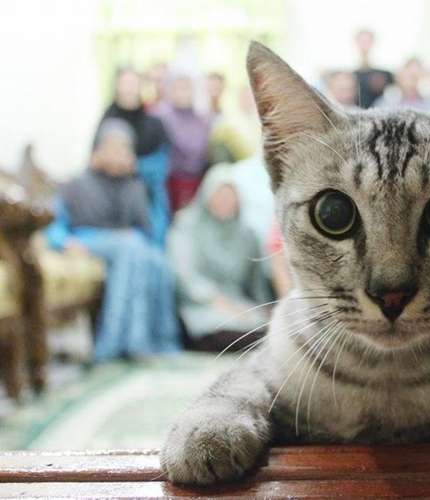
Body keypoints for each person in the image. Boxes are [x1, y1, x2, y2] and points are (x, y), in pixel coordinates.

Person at [46, 119, 180, 362]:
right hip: (86, 239)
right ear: (97, 150)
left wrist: (135, 181)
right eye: (114, 147)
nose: (120, 154)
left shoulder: (133, 185)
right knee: (131, 247)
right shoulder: (76, 184)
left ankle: (161, 341)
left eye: (125, 148)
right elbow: (52, 224)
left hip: (128, 244)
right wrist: (63, 242)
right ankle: (114, 345)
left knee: (158, 261)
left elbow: (149, 228)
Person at [168, 165, 273, 352]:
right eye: (220, 194)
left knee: (267, 326)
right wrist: (218, 301)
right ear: (207, 195)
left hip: (238, 304)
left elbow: (256, 282)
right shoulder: (186, 227)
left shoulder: (246, 234)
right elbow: (184, 276)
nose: (225, 201)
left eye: (230, 195)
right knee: (224, 327)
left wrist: (264, 306)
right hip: (201, 305)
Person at [99, 66, 171, 246]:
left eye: (133, 83)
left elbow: (163, 164)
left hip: (148, 195)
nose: (129, 89)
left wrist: (135, 166)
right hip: (110, 196)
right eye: (124, 83)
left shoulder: (154, 123)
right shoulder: (106, 120)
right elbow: (95, 159)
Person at [154, 73, 211, 213]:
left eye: (187, 88)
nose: (183, 93)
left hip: (196, 182)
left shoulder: (202, 120)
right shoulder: (160, 116)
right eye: (178, 87)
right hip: (167, 182)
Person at [353, 29, 394, 109]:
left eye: (367, 41)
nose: (364, 45)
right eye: (362, 41)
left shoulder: (385, 75)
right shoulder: (350, 76)